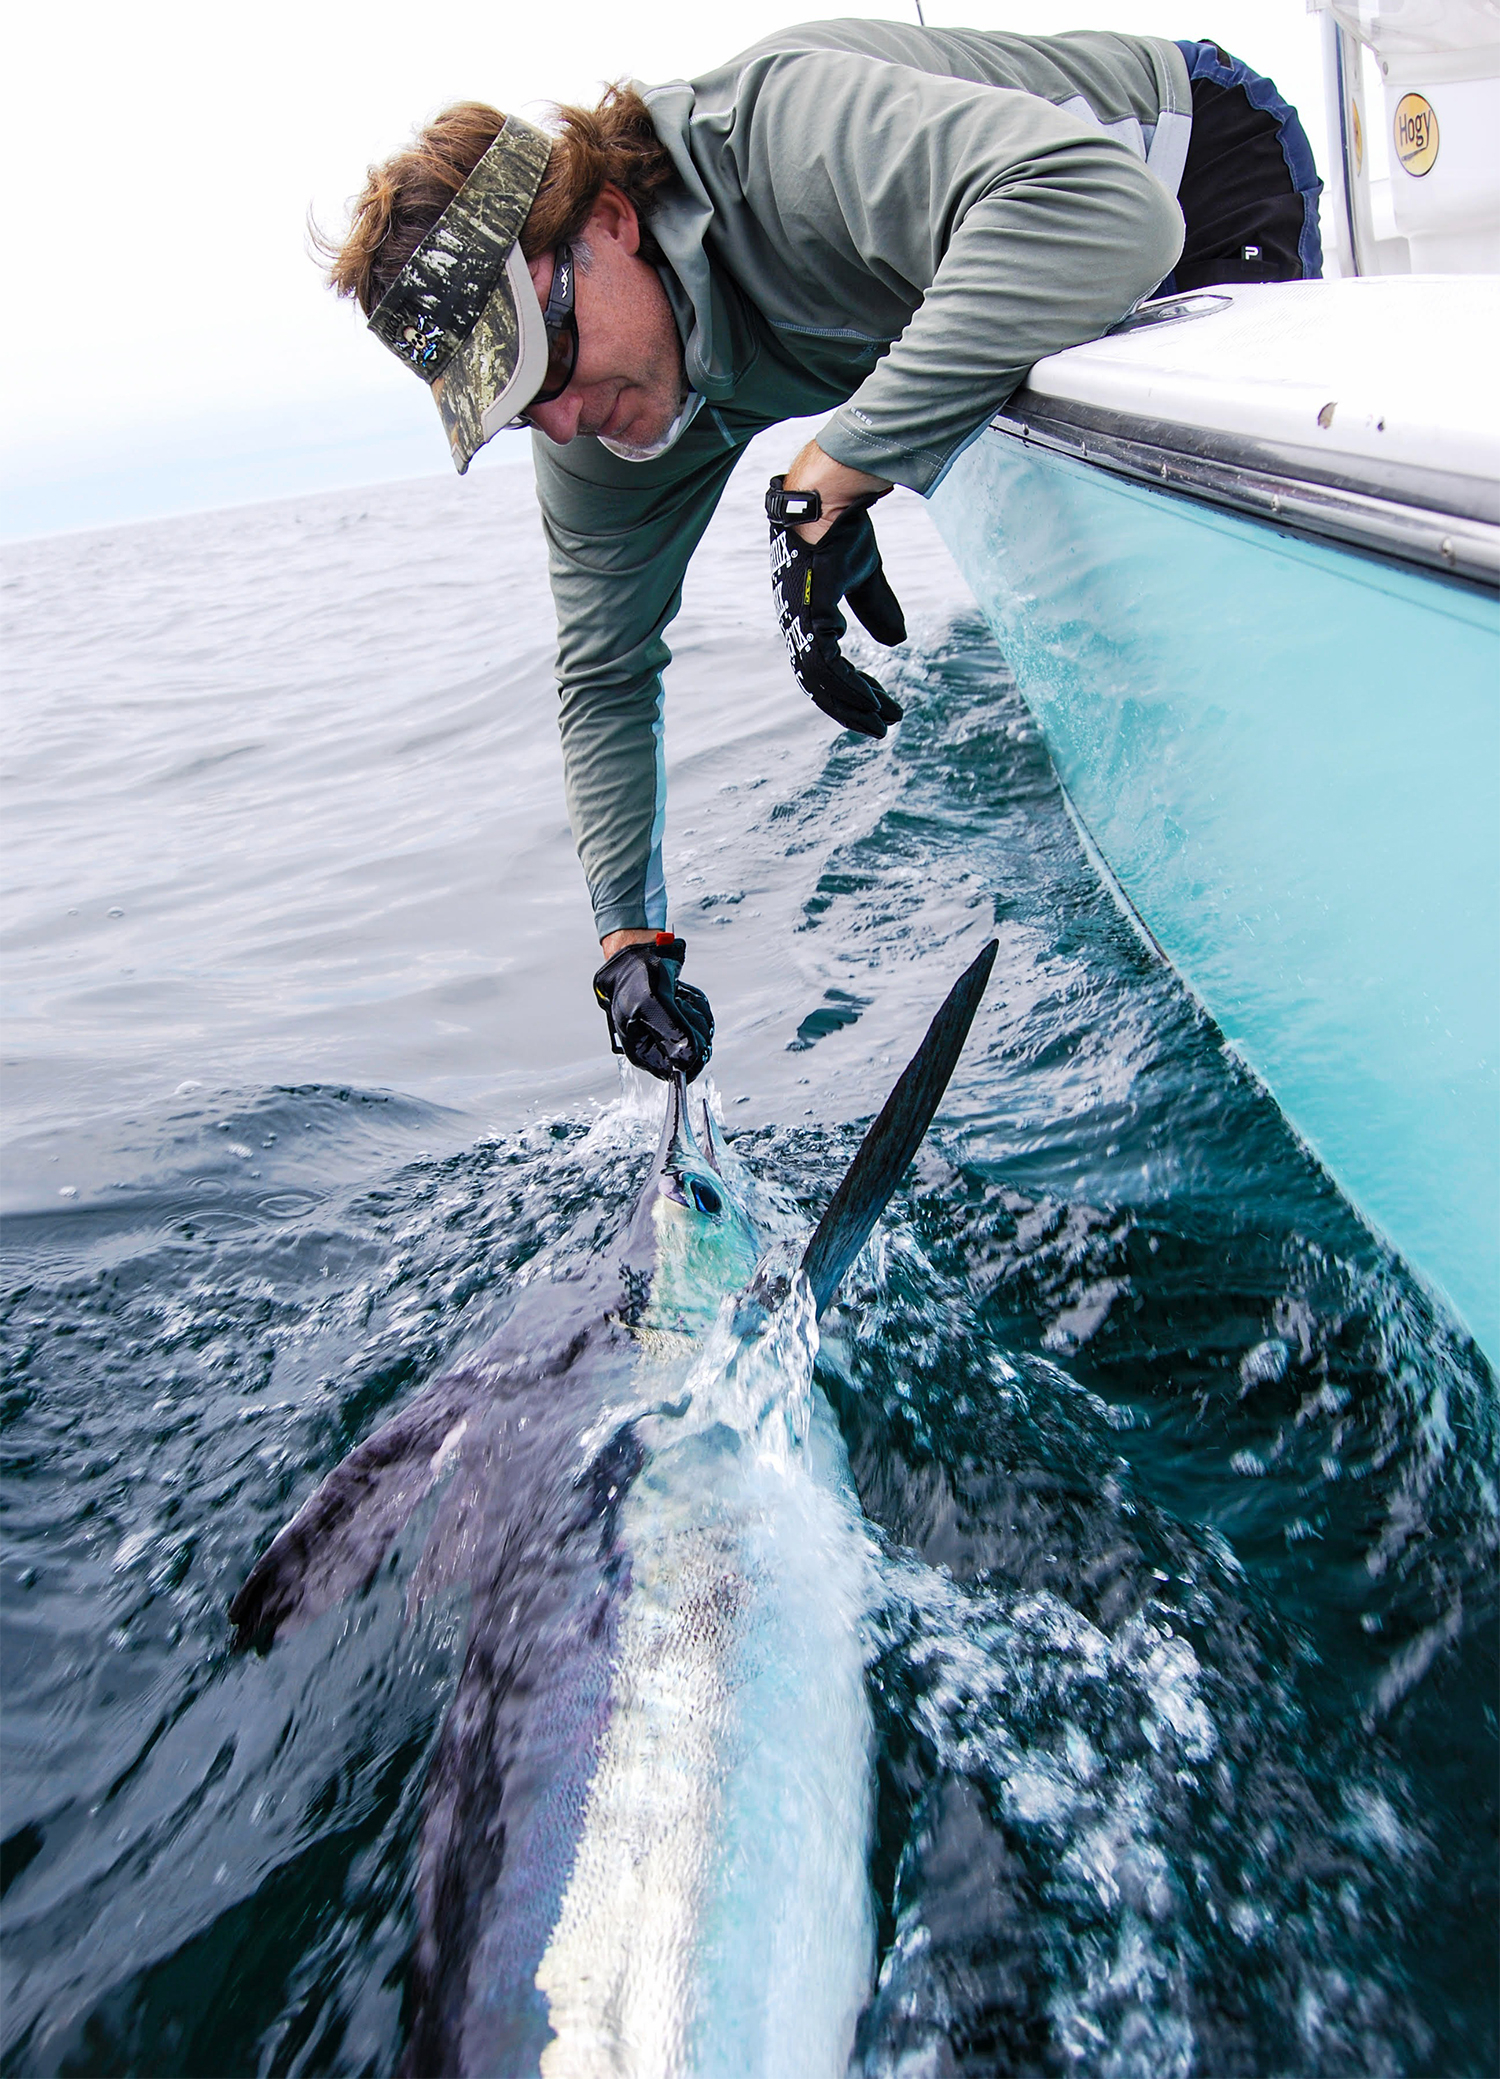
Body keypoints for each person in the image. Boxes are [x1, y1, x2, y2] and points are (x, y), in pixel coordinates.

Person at [323, 21, 1322, 1083]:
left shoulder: (781, 145)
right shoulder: (601, 416)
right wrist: (627, 948)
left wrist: (836, 472)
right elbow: (604, 674)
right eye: (518, 409)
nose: (563, 424)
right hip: (1002, 266)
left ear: (608, 222)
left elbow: (1109, 215)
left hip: (1185, 159)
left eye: (550, 360)